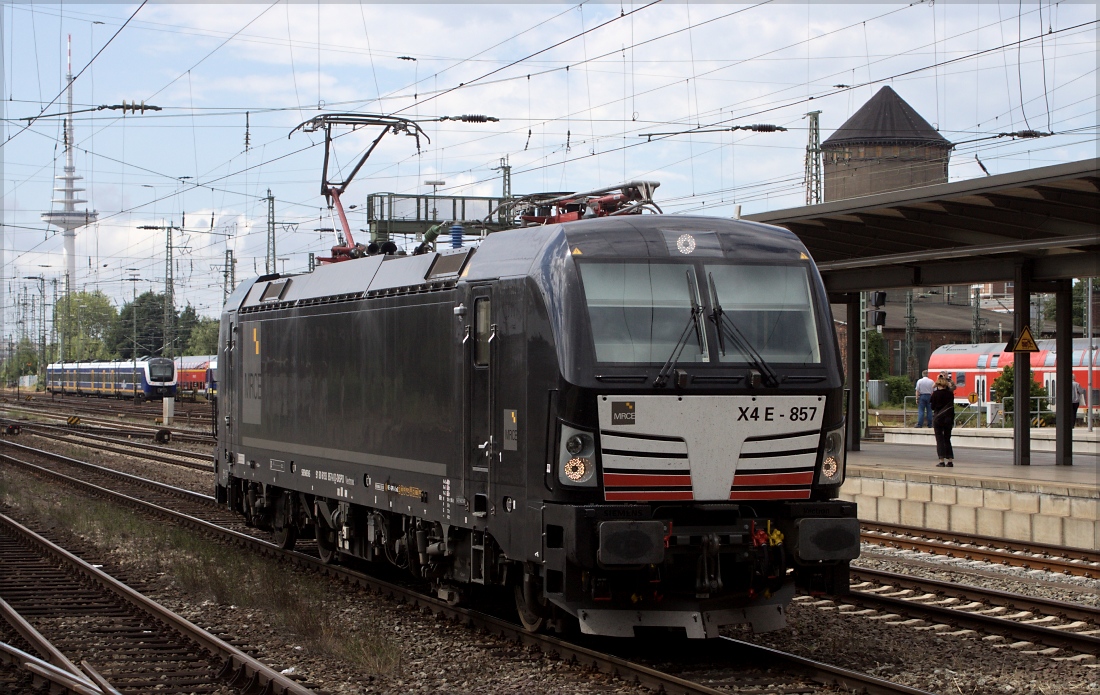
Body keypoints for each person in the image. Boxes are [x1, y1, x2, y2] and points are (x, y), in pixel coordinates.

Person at [931, 375, 955, 467]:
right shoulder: (950, 394)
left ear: (937, 384)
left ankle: (941, 461)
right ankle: (950, 460)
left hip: (938, 418)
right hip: (949, 418)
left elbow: (932, 407)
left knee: (940, 439)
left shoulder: (936, 394)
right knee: (947, 439)